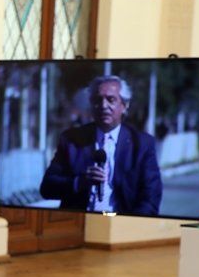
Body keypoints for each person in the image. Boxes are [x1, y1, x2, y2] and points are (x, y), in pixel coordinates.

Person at [40, 75, 162, 215]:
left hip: (119, 222)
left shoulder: (142, 144)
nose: (104, 106)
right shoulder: (72, 140)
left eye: (111, 100)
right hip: (80, 221)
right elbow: (47, 188)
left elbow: (151, 199)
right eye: (98, 100)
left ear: (124, 105)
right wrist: (79, 182)